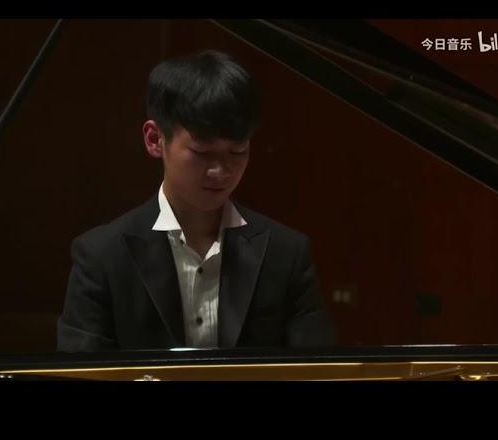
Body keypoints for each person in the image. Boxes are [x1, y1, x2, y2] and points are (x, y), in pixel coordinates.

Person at [57, 50, 335, 351]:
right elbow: (80, 369)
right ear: (154, 139)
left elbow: (316, 366)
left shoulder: (287, 253)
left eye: (237, 151)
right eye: (202, 152)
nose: (220, 171)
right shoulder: (101, 256)